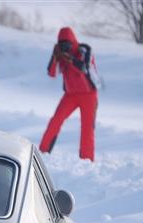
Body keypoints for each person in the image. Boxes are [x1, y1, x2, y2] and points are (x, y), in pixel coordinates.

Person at [39, 27, 100, 161]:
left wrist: (70, 58)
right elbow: (52, 73)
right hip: (70, 95)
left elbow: (83, 68)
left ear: (73, 41)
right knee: (55, 120)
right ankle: (42, 153)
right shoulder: (60, 54)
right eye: (62, 44)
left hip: (89, 94)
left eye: (68, 44)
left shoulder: (85, 50)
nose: (65, 47)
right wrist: (55, 57)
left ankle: (87, 160)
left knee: (87, 128)